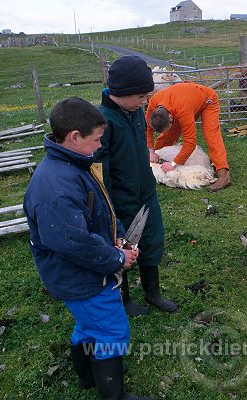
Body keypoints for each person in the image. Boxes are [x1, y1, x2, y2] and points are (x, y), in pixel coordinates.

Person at [24, 97, 152, 399]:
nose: (99, 146)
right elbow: (74, 242)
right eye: (96, 140)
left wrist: (118, 236)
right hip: (82, 279)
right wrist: (117, 257)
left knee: (88, 326)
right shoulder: (57, 186)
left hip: (81, 275)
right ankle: (114, 395)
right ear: (75, 137)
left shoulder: (72, 164)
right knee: (110, 330)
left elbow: (97, 212)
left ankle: (87, 377)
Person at [96, 55, 178, 317]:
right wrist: (109, 205)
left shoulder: (135, 113)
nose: (146, 101)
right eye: (141, 96)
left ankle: (153, 293)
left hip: (146, 192)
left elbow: (142, 146)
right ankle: (125, 298)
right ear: (122, 92)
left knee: (152, 241)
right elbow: (101, 170)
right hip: (121, 199)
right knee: (124, 247)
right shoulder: (103, 122)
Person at [146, 81, 231, 192]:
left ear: (170, 118)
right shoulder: (153, 102)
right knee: (167, 136)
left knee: (211, 135)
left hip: (206, 100)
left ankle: (223, 174)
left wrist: (173, 164)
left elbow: (190, 142)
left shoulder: (183, 110)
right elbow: (146, 127)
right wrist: (150, 150)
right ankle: (156, 165)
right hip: (184, 99)